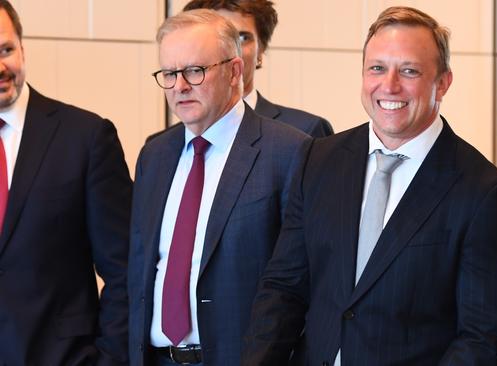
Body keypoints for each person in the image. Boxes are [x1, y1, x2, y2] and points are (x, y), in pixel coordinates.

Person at [243, 6, 497, 366]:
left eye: (409, 71)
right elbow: (283, 289)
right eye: (377, 68)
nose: (389, 86)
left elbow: (480, 337)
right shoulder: (318, 159)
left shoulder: (485, 193)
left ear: (443, 82)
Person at [127, 9, 309, 366]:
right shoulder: (154, 154)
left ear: (235, 71)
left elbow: (302, 282)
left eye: (195, 71)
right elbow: (137, 270)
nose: (180, 86)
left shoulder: (289, 152)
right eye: (169, 73)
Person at [0, 1, 132, 365]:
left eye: (5, 50)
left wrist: (108, 359)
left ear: (22, 48)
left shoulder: (86, 137)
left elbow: (125, 271)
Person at [147, 0, 333, 142]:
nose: (230, 48)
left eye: (241, 38)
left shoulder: (304, 132)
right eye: (217, 39)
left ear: (261, 48)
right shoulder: (157, 148)